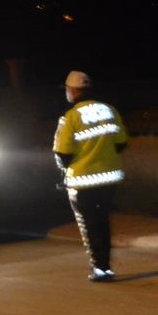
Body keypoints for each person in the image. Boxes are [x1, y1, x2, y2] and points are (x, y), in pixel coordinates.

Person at [53, 70, 129, 282]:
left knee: (89, 226)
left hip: (83, 182)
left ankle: (100, 268)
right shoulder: (110, 110)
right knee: (102, 222)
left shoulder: (70, 118)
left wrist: (66, 170)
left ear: (72, 90)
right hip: (109, 179)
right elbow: (121, 142)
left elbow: (62, 153)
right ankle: (105, 265)